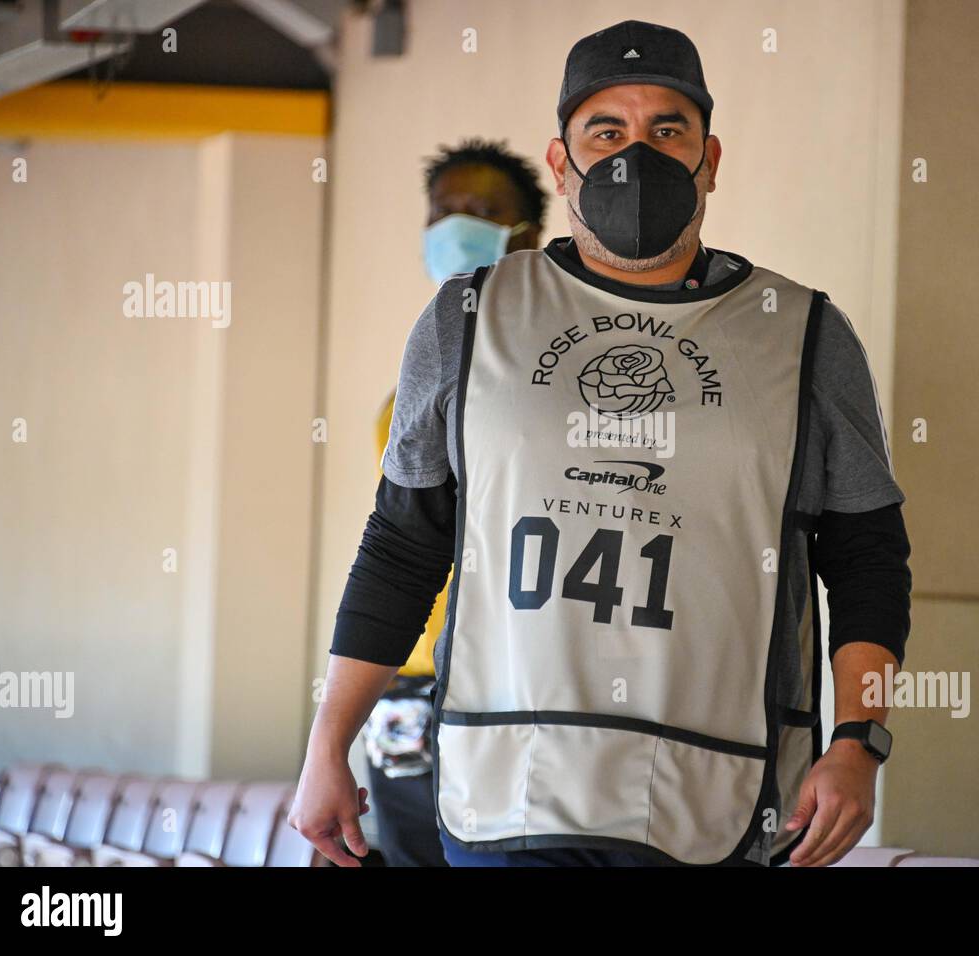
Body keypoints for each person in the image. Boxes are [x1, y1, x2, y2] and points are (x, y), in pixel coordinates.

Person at [291, 19, 912, 868]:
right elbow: (403, 547)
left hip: (721, 797)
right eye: (607, 131)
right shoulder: (469, 319)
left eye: (667, 130)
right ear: (561, 162)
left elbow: (869, 557)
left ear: (710, 158)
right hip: (507, 794)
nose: (637, 154)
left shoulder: (800, 333)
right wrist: (328, 744)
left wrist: (859, 741)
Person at [360, 139, 545, 867]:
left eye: (481, 212)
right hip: (407, 676)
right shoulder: (410, 382)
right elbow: (400, 545)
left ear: (527, 233)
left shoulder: (548, 374)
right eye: (443, 212)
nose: (455, 226)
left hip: (506, 675)